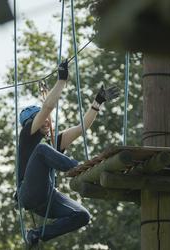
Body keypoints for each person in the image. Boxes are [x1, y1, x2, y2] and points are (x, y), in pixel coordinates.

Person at [15, 60, 119, 248]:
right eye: (41, 119)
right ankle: (79, 169)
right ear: (32, 122)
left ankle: (38, 234)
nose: (47, 121)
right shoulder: (28, 136)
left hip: (47, 197)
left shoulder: (52, 143)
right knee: (42, 150)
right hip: (28, 192)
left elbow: (82, 127)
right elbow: (47, 107)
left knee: (82, 216)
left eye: (47, 119)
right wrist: (62, 80)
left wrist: (97, 102)